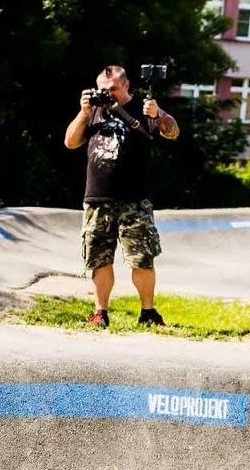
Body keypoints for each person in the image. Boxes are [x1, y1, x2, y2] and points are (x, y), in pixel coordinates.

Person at [64, 65, 180, 328]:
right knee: (99, 258)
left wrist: (159, 113)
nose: (108, 94)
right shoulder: (93, 111)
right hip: (97, 198)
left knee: (142, 257)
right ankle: (100, 312)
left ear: (126, 86)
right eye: (102, 90)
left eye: (113, 89)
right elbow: (70, 142)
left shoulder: (143, 107)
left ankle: (148, 312)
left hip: (134, 199)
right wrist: (83, 113)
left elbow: (173, 132)